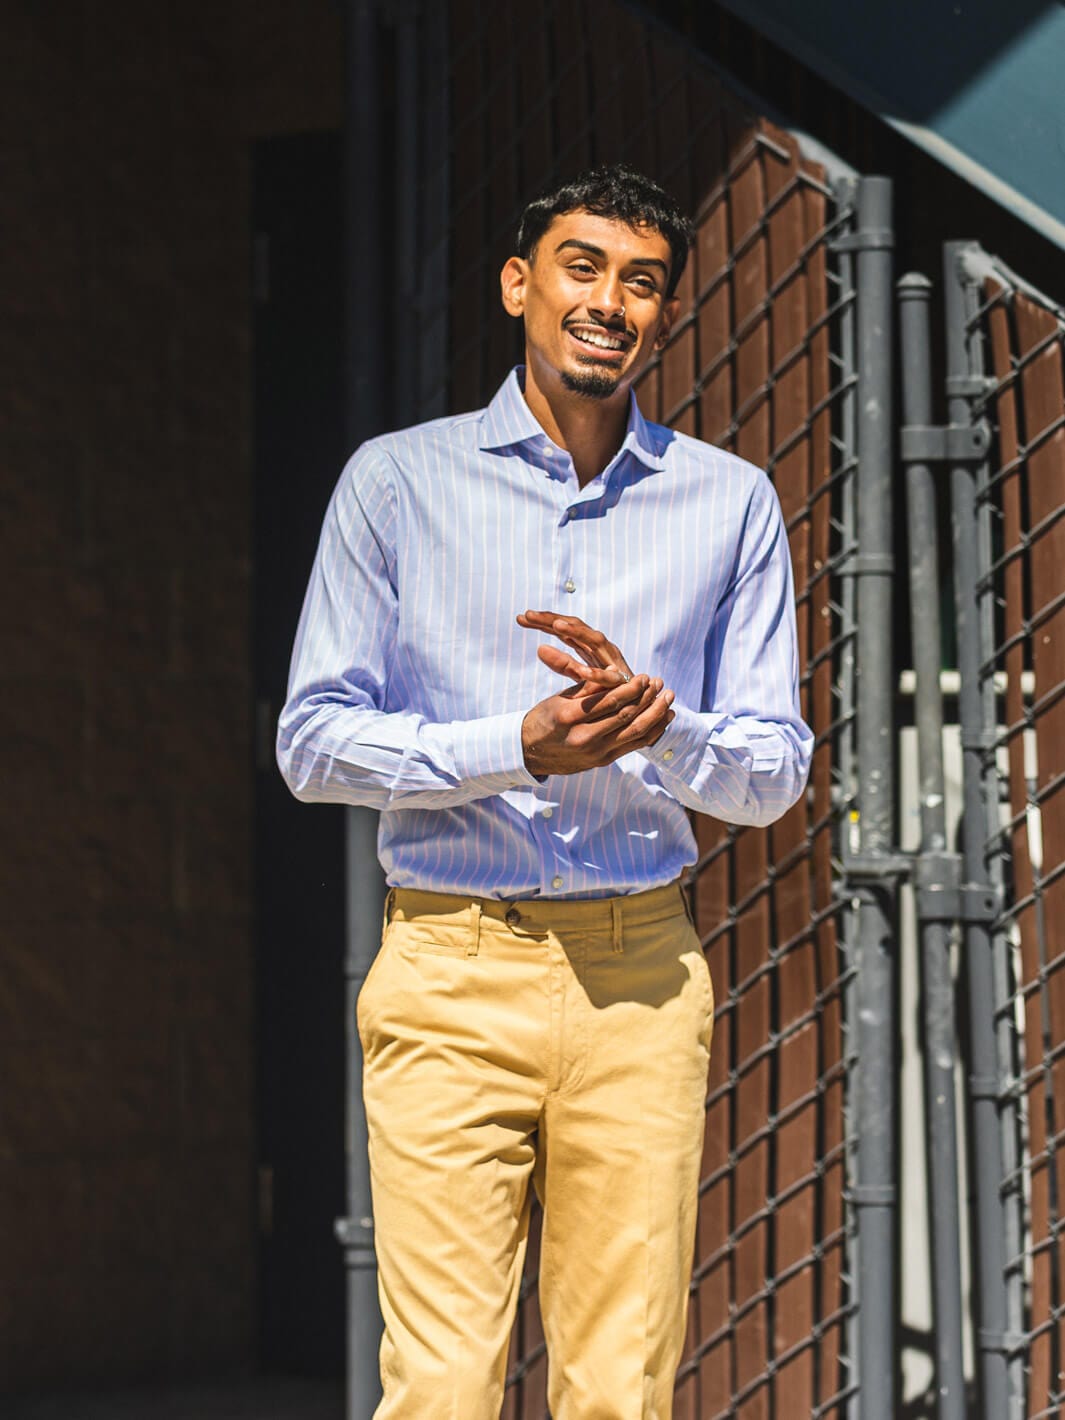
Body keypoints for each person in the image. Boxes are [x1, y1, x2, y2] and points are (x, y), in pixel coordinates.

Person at [277, 164, 812, 1420]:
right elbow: (314, 740)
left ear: (662, 315)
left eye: (641, 282)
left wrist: (659, 732)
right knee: (444, 1387)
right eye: (583, 268)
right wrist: (514, 744)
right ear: (521, 286)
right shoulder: (397, 483)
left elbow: (776, 769)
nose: (609, 303)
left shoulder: (729, 503)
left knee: (618, 1388)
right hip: (450, 969)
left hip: (639, 978)